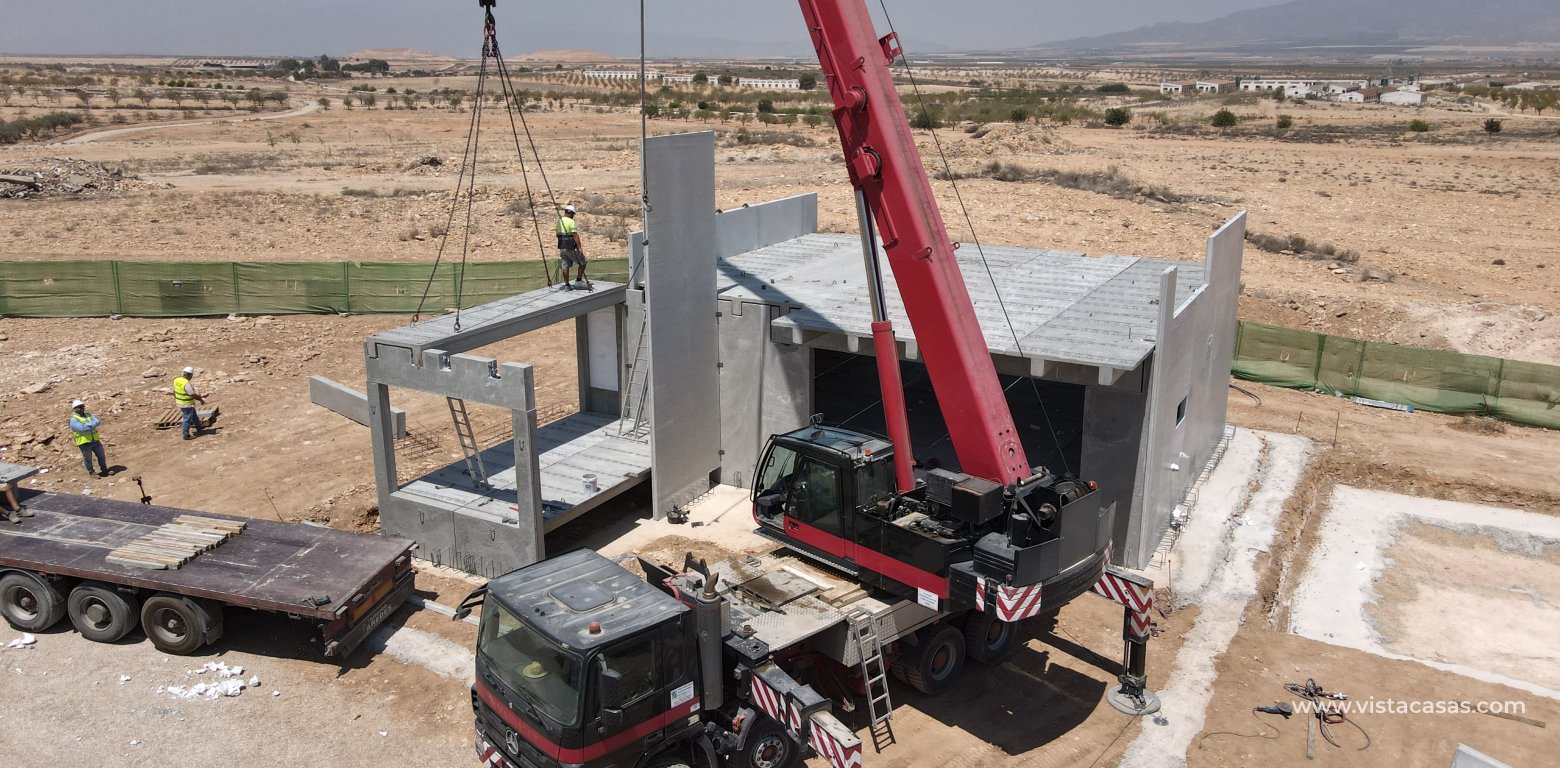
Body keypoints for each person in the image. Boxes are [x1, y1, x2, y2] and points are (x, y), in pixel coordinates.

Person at [556, 204, 593, 292]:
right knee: (583, 261)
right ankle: (578, 281)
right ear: (571, 213)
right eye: (573, 214)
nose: (573, 216)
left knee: (565, 265)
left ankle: (567, 286)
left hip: (562, 247)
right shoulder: (571, 221)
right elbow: (575, 235)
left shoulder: (559, 221)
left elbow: (557, 234)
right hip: (570, 248)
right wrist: (579, 247)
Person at [68, 400, 109, 477]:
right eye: (80, 407)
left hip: (95, 440)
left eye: (83, 406)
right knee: (88, 459)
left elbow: (98, 421)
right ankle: (91, 472)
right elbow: (82, 429)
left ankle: (104, 470)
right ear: (75, 409)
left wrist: (88, 425)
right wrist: (92, 425)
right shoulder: (73, 420)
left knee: (101, 456)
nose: (82, 408)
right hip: (85, 443)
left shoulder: (88, 415)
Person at [173, 366, 207, 440]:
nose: (191, 377)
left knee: (194, 415)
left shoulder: (177, 380)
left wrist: (176, 398)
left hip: (180, 402)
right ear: (189, 375)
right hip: (186, 404)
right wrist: (200, 399)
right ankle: (186, 435)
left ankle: (199, 428)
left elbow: (174, 391)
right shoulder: (186, 384)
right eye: (191, 375)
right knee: (187, 419)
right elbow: (192, 394)